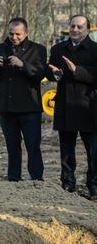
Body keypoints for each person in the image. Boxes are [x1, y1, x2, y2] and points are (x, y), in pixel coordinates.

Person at [0, 18, 46, 182]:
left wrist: (22, 65)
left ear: (26, 33)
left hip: (30, 108)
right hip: (7, 108)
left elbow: (40, 73)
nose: (14, 37)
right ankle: (13, 179)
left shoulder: (38, 49)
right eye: (11, 33)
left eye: (18, 34)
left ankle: (37, 179)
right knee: (12, 147)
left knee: (33, 147)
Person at [47, 15, 97, 200]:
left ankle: (94, 186)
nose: (75, 30)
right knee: (66, 152)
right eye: (73, 26)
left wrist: (77, 71)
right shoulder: (58, 49)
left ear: (88, 29)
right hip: (66, 106)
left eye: (79, 27)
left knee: (94, 152)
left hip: (89, 107)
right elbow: (49, 71)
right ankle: (67, 185)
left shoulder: (95, 50)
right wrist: (54, 73)